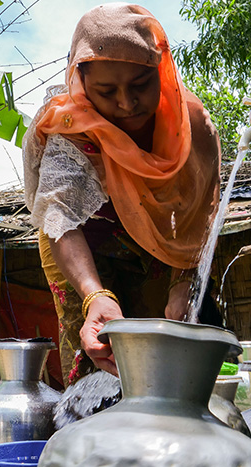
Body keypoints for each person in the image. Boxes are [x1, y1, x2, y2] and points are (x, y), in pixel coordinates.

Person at [23, 3, 222, 384]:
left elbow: (202, 213)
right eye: (106, 91)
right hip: (77, 244)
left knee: (169, 345)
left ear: (161, 73)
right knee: (101, 349)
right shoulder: (69, 128)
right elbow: (59, 215)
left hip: (164, 243)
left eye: (140, 85)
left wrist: (185, 283)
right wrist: (94, 295)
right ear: (80, 81)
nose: (127, 104)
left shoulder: (191, 127)